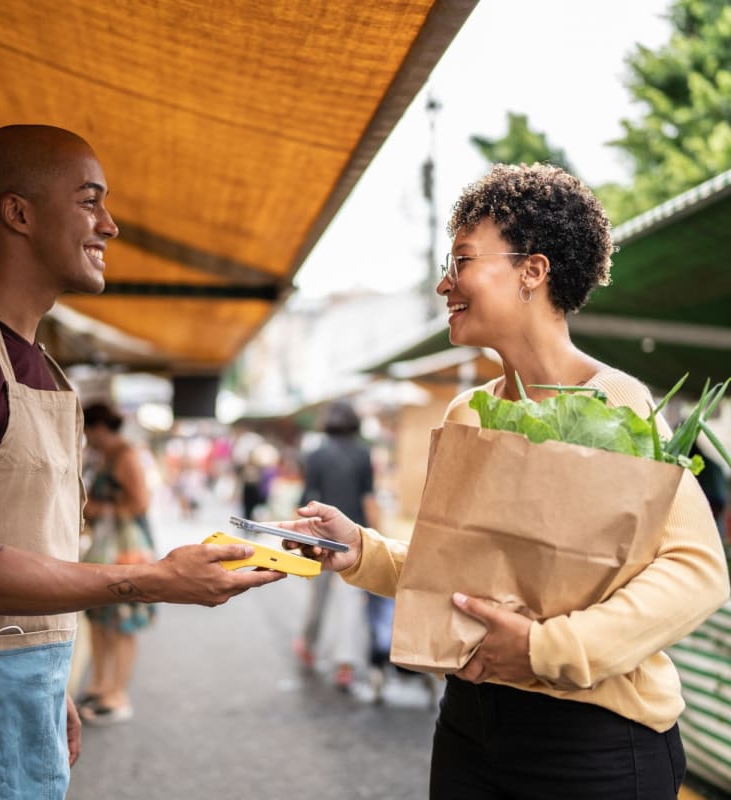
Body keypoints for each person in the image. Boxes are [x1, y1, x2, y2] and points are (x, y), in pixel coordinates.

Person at [277, 163, 730, 799]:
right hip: (469, 727)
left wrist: (550, 649)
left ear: (532, 271)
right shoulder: (465, 413)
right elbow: (461, 578)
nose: (444, 282)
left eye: (461, 260)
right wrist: (363, 552)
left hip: (594, 740)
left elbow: (696, 573)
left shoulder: (620, 404)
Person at [0, 124, 284, 800]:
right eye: (90, 201)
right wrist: (152, 578)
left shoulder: (47, 369)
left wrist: (51, 680)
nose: (111, 226)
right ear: (19, 214)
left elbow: (25, 538)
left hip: (26, 680)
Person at [79, 402, 157, 725]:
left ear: (98, 428)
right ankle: (101, 684)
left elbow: (140, 503)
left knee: (122, 621)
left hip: (126, 547)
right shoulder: (107, 456)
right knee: (99, 617)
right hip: (107, 546)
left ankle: (117, 693)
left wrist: (100, 510)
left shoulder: (126, 456)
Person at [293, 401, 379, 689]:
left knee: (317, 597)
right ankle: (345, 664)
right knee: (350, 601)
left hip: (320, 535)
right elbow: (369, 498)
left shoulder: (316, 454)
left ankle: (308, 644)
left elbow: (306, 497)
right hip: (353, 535)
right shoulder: (364, 452)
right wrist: (376, 535)